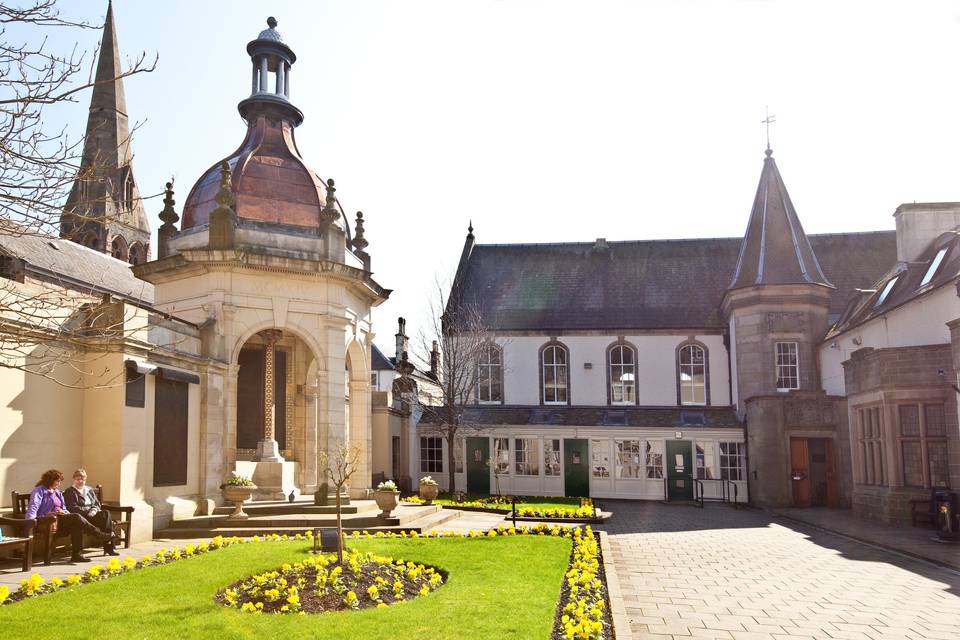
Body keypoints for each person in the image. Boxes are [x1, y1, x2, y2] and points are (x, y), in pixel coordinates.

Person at [25, 469, 112, 563]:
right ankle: (98, 534)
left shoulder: (57, 492)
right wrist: (31, 521)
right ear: (50, 480)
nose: (59, 483)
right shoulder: (39, 490)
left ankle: (76, 555)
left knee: (76, 523)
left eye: (59, 481)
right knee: (76, 517)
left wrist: (63, 512)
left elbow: (64, 507)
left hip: (59, 518)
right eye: (57, 481)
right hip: (46, 519)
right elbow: (33, 506)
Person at [64, 468, 119, 556]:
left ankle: (109, 547)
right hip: (81, 518)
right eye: (78, 479)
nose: (80, 481)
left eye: (83, 479)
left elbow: (96, 503)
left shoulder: (89, 490)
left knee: (105, 513)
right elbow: (73, 508)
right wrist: (87, 511)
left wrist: (94, 509)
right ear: (74, 480)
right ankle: (105, 537)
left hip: (92, 516)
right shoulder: (70, 491)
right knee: (76, 525)